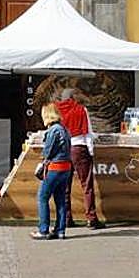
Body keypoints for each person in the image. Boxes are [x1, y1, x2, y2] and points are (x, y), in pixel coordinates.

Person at [55, 88, 104, 229]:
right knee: (86, 186)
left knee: (65, 187)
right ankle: (91, 218)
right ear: (73, 97)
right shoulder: (81, 109)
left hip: (63, 149)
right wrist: (90, 151)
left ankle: (66, 219)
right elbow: (87, 133)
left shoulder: (57, 110)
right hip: (79, 148)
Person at [32, 103, 72, 240]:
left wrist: (42, 161)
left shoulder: (53, 130)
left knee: (42, 197)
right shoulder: (64, 129)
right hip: (66, 168)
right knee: (60, 200)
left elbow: (48, 152)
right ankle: (60, 230)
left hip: (55, 167)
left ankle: (43, 230)